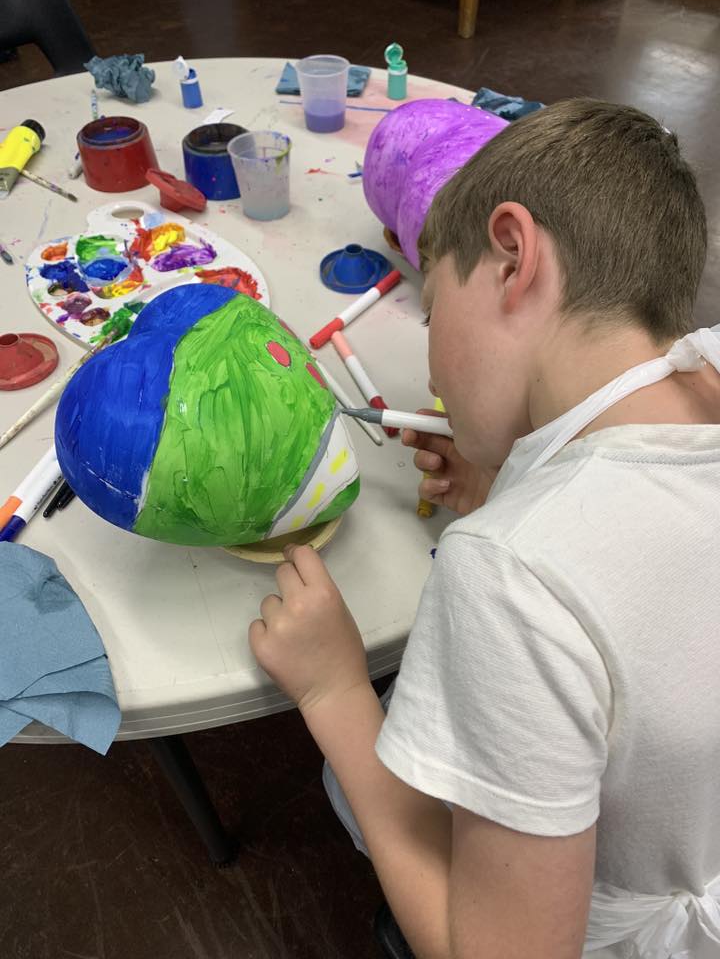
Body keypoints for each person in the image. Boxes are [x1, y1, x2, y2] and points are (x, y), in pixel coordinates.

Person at [249, 98, 720, 959]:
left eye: (433, 312)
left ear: (511, 256)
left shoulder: (511, 574)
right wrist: (520, 476)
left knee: (359, 764)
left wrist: (334, 692)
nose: (432, 371)